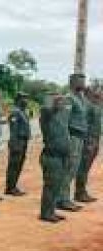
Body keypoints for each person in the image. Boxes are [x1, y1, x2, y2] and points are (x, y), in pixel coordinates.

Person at [38, 94, 71, 223]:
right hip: (51, 156)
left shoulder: (61, 116)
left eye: (62, 101)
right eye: (57, 101)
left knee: (57, 185)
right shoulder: (46, 116)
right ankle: (45, 213)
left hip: (61, 156)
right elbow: (45, 110)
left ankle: (51, 211)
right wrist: (54, 104)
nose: (61, 103)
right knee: (50, 185)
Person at [61, 73, 90, 211]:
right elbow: (64, 121)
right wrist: (66, 139)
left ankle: (65, 198)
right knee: (69, 168)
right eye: (81, 81)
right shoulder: (69, 99)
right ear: (73, 82)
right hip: (72, 137)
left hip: (80, 137)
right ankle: (63, 200)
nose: (84, 84)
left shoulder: (81, 98)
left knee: (74, 168)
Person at [76, 89, 101, 203]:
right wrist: (87, 141)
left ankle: (82, 191)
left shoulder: (97, 106)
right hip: (89, 140)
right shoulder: (89, 107)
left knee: (86, 167)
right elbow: (83, 123)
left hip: (95, 139)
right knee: (83, 167)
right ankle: (80, 193)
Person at [5, 92, 31, 196]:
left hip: (23, 141)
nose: (26, 101)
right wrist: (15, 144)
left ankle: (13, 186)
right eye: (24, 98)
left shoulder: (22, 112)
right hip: (17, 142)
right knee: (14, 165)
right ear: (19, 100)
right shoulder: (15, 112)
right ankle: (10, 188)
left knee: (19, 165)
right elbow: (14, 130)